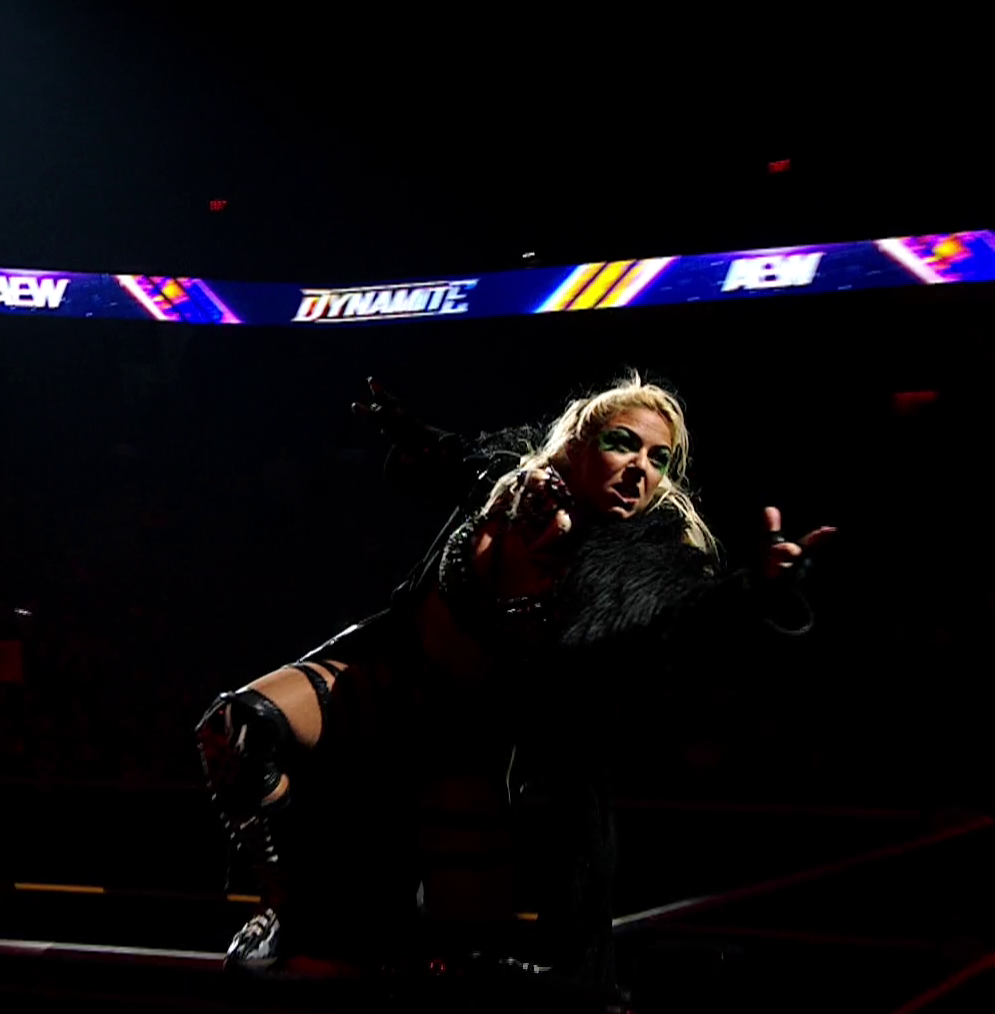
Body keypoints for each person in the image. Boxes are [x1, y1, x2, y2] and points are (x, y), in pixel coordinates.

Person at [195, 373, 833, 1005]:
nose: (642, 468)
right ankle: (283, 908)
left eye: (658, 458)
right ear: (579, 445)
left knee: (445, 957)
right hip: (387, 672)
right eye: (624, 443)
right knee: (236, 727)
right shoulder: (512, 474)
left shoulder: (641, 554)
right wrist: (415, 437)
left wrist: (762, 590)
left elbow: (692, 611)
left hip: (470, 738)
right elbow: (453, 458)